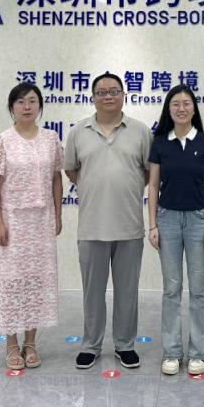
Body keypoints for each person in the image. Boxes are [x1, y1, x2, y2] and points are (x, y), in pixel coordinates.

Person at [64, 72, 152, 370]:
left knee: (127, 292)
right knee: (92, 292)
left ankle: (125, 345)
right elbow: (71, 170)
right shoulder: (78, 131)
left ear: (124, 95)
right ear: (93, 97)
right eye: (102, 92)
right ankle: (91, 345)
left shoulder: (140, 131)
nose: (108, 96)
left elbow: (149, 172)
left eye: (114, 91)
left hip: (129, 225)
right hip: (91, 226)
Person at [0, 82, 64, 370]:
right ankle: (11, 344)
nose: (27, 106)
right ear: (11, 108)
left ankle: (30, 343)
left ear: (40, 106)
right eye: (20, 102)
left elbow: (57, 178)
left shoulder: (51, 139)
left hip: (41, 222)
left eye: (32, 101)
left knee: (35, 281)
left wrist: (58, 215)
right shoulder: (1, 141)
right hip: (12, 223)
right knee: (12, 282)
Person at [146, 85, 204, 376]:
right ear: (169, 109)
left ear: (194, 108)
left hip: (199, 219)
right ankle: (172, 352)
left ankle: (199, 353)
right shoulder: (160, 143)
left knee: (199, 289)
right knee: (171, 289)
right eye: (175, 103)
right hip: (167, 220)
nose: (181, 108)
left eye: (186, 103)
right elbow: (153, 185)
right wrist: (152, 224)